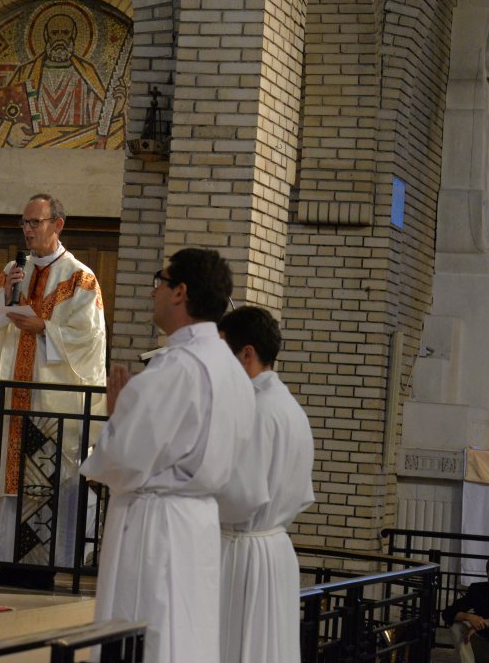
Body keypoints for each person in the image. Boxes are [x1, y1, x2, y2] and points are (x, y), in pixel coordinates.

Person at [80, 248, 257, 663]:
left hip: (154, 526)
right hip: (197, 525)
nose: (154, 291)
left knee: (149, 636)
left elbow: (123, 461)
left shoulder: (175, 368)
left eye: (161, 281)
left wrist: (118, 414)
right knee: (188, 637)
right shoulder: (232, 369)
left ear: (180, 292)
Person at [0, 193, 107, 590]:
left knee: (44, 478)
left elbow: (90, 339)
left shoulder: (81, 278)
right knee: (5, 475)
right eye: (24, 223)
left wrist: (45, 329)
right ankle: (2, 559)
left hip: (51, 401)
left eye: (35, 222)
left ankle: (43, 564)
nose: (28, 230)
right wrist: (2, 297)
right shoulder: (14, 269)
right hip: (11, 395)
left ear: (57, 224)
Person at [216, 306, 314, 663]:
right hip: (274, 552)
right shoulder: (290, 408)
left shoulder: (254, 409)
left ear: (247, 353)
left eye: (221, 348)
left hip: (240, 553)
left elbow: (239, 496)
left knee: (233, 648)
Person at [0, 13, 120, 149]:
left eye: (65, 32)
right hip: (31, 147)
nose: (60, 38)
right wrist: (9, 132)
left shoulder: (86, 72)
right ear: (46, 36)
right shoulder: (27, 72)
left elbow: (103, 119)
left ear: (74, 35)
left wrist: (119, 103)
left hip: (79, 144)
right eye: (54, 33)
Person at [443, 552, 489, 663]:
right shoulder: (478, 589)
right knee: (456, 626)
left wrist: (487, 622)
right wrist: (469, 617)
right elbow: (447, 613)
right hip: (480, 647)